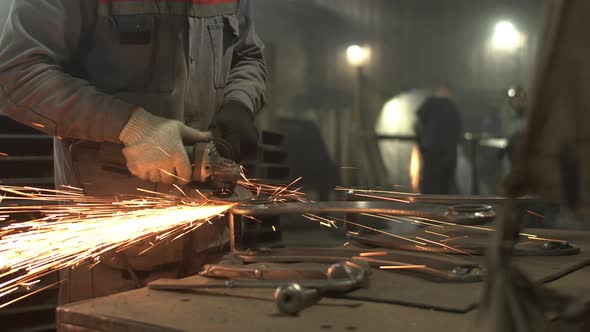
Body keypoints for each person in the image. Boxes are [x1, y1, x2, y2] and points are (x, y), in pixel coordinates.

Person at [0, 0, 266, 304]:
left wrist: (239, 103)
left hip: (212, 247)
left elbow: (248, 55)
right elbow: (17, 75)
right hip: (114, 261)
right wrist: (132, 127)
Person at [415, 84, 462, 194]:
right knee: (444, 186)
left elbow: (418, 124)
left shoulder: (430, 103)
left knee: (430, 184)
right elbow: (457, 130)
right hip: (446, 153)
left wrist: (422, 143)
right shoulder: (451, 107)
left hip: (431, 151)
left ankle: (427, 207)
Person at [499, 85, 528, 167]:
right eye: (516, 99)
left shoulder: (528, 113)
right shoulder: (506, 111)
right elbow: (507, 131)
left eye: (522, 99)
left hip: (524, 150)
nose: (519, 101)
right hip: (510, 149)